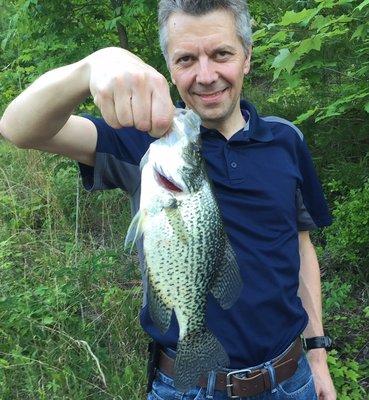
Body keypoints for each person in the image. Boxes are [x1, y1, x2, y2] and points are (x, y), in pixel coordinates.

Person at [0, 0, 337, 399]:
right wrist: (94, 65)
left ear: (247, 57)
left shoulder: (286, 139)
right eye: (186, 59)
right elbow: (19, 128)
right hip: (185, 387)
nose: (206, 75)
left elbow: (300, 247)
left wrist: (317, 355)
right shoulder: (145, 141)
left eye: (221, 54)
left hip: (290, 378)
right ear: (169, 67)